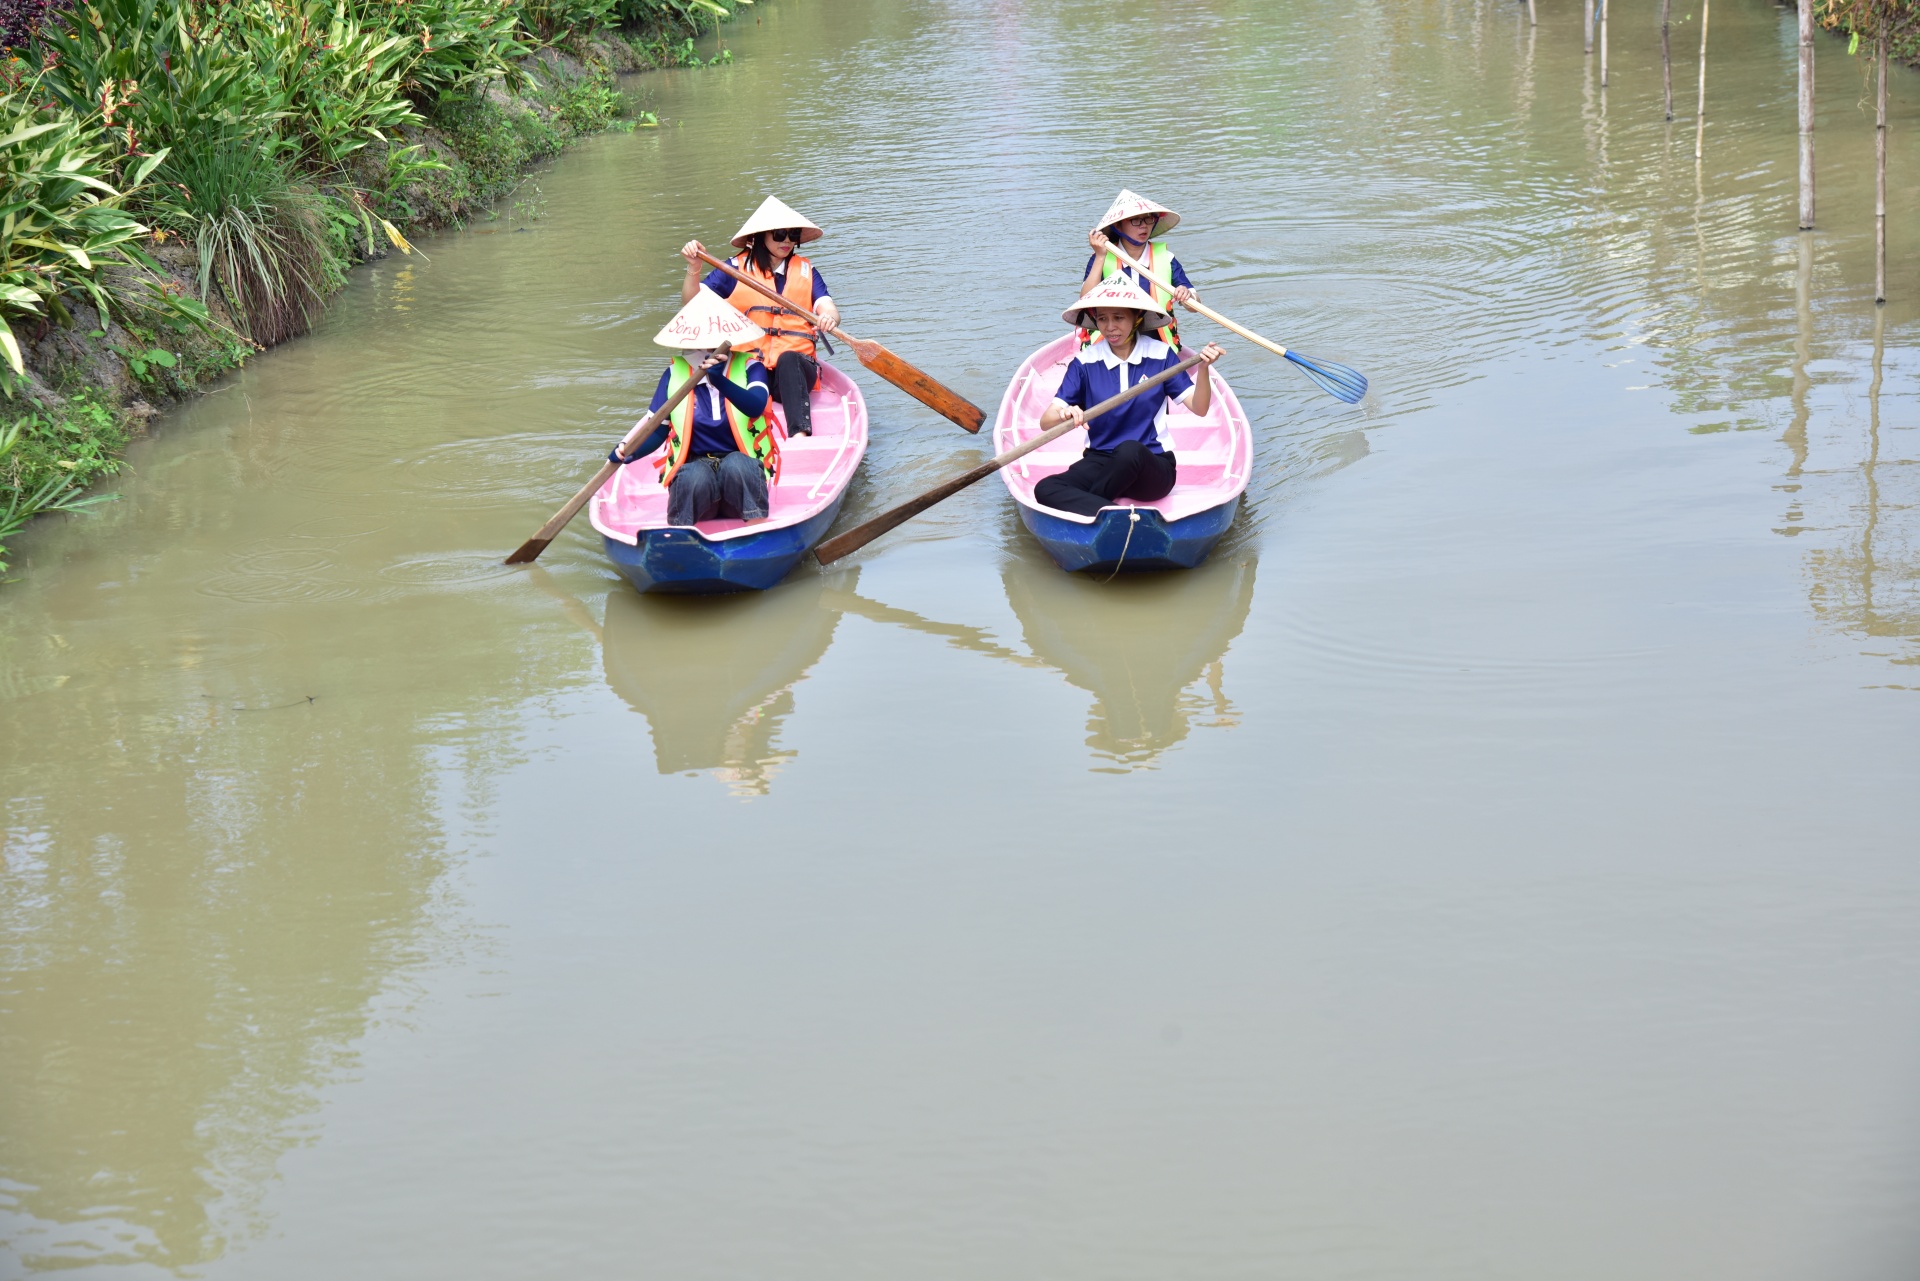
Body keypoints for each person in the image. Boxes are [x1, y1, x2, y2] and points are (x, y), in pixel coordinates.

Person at [1036, 275, 1223, 520]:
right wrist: (1065, 414)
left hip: (1152, 466)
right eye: (1102, 318)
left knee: (1129, 451)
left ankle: (1095, 508)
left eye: (1118, 317)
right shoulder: (1085, 362)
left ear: (1137, 318)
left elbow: (1199, 408)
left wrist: (1204, 369)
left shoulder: (1161, 355)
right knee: (1046, 489)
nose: (1110, 327)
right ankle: (1117, 516)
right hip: (1101, 460)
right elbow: (1046, 421)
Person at [612, 287, 780, 527]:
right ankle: (682, 536)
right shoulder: (674, 374)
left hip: (741, 474)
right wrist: (628, 450)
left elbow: (755, 407)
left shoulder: (751, 367)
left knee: (737, 466)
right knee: (691, 476)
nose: (703, 350)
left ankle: (756, 528)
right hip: (699, 472)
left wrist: (719, 380)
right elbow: (658, 429)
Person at [679, 196, 840, 436]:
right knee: (743, 370)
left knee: (789, 359)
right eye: (779, 234)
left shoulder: (806, 270)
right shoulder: (733, 269)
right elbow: (692, 303)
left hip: (794, 372)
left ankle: (800, 434)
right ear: (759, 237)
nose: (787, 241)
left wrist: (828, 317)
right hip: (750, 368)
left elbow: (826, 305)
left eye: (792, 234)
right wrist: (693, 268)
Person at [1078, 188, 1196, 349]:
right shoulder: (1101, 256)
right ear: (1118, 226)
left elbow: (1194, 304)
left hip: (1156, 338)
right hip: (1110, 338)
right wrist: (1100, 257)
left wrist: (1186, 295)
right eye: (1136, 221)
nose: (1143, 226)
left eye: (1148, 220)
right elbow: (1085, 301)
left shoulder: (1166, 258)